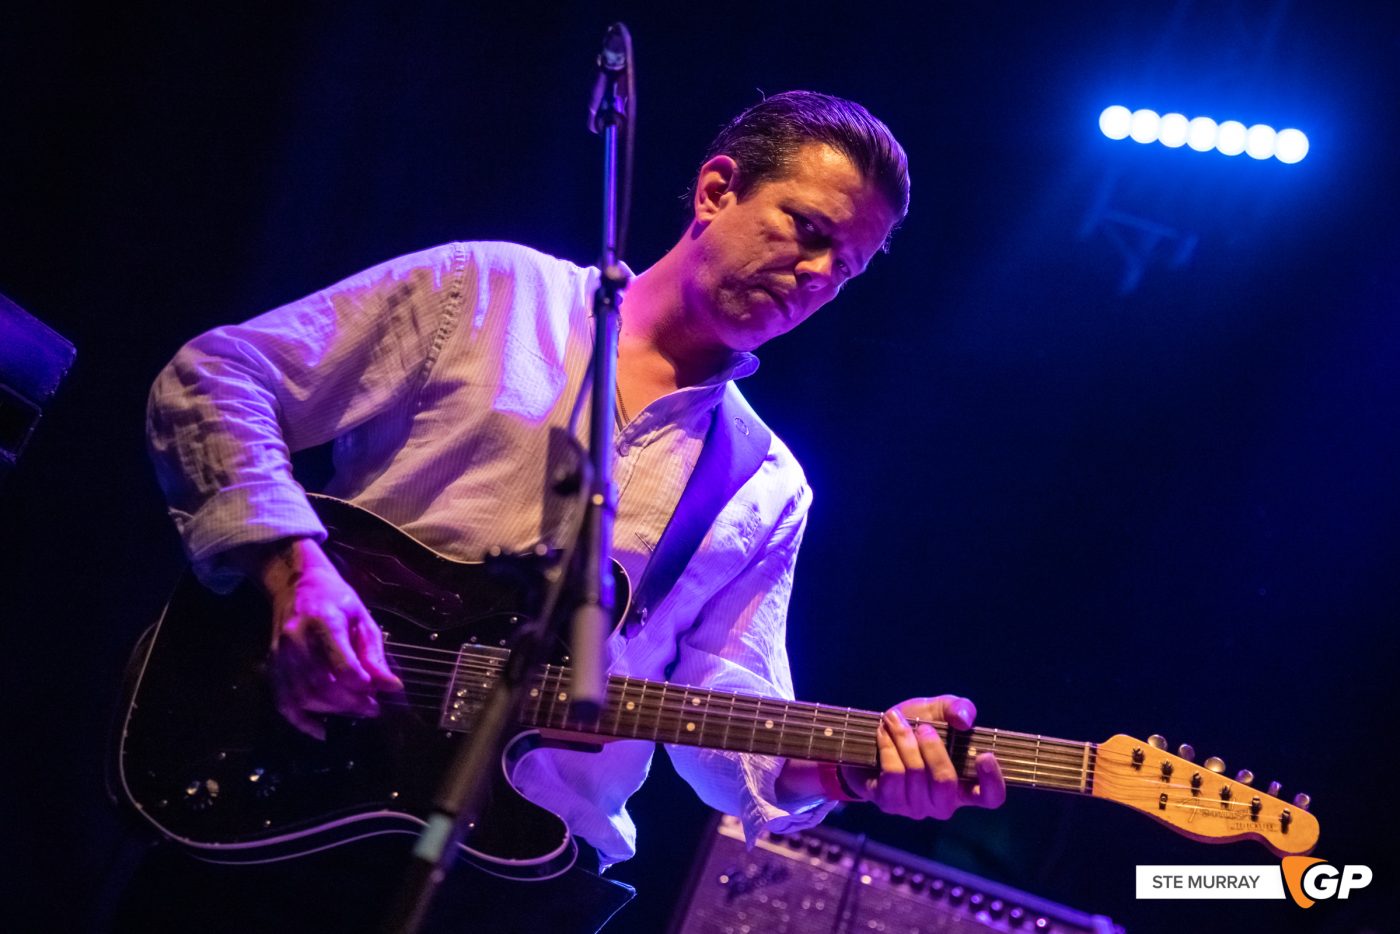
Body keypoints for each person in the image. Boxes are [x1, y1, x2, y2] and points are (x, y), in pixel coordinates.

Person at [134, 90, 1004, 928]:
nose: (817, 274)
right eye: (807, 230)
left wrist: (852, 770)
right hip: (286, 772)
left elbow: (725, 709)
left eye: (844, 266)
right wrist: (297, 572)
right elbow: (218, 378)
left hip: (515, 881)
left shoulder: (769, 481)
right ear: (716, 190)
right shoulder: (488, 291)